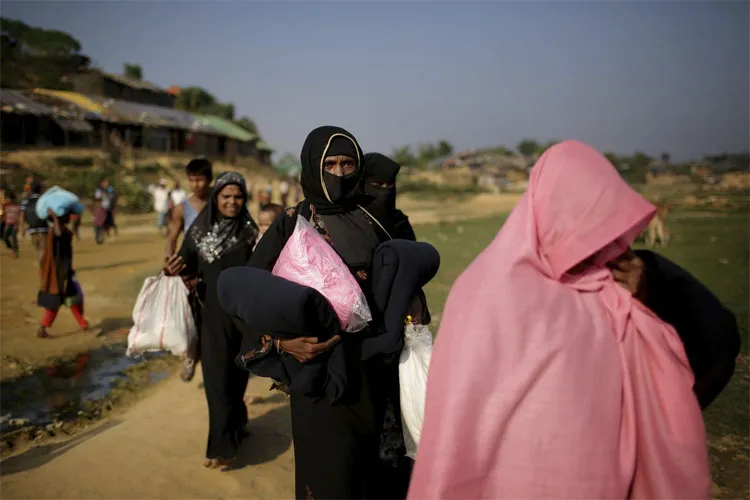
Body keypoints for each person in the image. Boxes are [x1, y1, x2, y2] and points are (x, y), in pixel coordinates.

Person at [408, 140, 715, 499]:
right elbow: (461, 413)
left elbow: (714, 347)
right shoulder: (486, 293)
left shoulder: (620, 293)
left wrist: (653, 289)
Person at [248, 126, 406, 499]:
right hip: (315, 371)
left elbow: (404, 274)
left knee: (374, 473)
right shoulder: (292, 221)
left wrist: (414, 301)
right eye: (329, 164)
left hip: (373, 369)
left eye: (347, 163)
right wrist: (283, 344)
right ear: (312, 167)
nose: (338, 173)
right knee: (328, 475)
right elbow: (252, 290)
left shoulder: (376, 219)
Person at [163, 171, 258, 468]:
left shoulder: (250, 233)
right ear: (216, 197)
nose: (232, 202)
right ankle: (220, 448)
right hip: (212, 318)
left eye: (238, 196)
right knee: (216, 382)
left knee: (237, 380)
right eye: (226, 196)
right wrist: (171, 269)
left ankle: (238, 422)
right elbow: (185, 264)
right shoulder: (198, 231)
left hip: (243, 320)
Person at [165, 158, 214, 382]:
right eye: (192, 180)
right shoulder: (181, 208)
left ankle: (215, 361)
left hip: (216, 266)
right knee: (191, 316)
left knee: (213, 315)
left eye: (200, 179)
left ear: (209, 180)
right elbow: (172, 237)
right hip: (191, 269)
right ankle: (191, 356)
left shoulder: (220, 202)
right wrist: (170, 260)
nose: (196, 185)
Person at [37, 208, 89, 339]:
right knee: (72, 299)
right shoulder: (56, 231)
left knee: (65, 299)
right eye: (66, 216)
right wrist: (55, 217)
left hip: (63, 270)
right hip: (60, 273)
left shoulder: (60, 230)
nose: (69, 217)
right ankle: (83, 324)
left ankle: (82, 324)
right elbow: (58, 234)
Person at [361, 152, 417, 240]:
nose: (386, 191)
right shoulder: (352, 222)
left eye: (390, 185)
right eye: (379, 185)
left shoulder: (400, 222)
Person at [20, 181, 49, 265]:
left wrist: (22, 229)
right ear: (40, 189)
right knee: (43, 248)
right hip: (43, 227)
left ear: (31, 190)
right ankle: (42, 264)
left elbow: (22, 216)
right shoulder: (44, 200)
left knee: (38, 248)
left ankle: (41, 263)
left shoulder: (25, 202)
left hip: (32, 228)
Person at [94, 179, 117, 243]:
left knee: (109, 222)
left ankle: (107, 235)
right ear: (101, 183)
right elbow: (97, 198)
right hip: (101, 208)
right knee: (100, 223)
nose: (105, 184)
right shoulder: (99, 190)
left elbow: (114, 196)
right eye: (104, 183)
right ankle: (99, 237)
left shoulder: (110, 189)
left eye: (106, 183)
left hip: (109, 208)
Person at [3, 192, 21, 258]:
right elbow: (4, 216)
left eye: (8, 198)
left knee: (14, 237)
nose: (7, 200)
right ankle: (11, 248)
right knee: (5, 237)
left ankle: (15, 251)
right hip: (7, 224)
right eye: (7, 198)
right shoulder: (5, 206)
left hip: (14, 224)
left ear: (12, 199)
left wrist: (17, 225)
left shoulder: (17, 207)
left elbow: (19, 216)